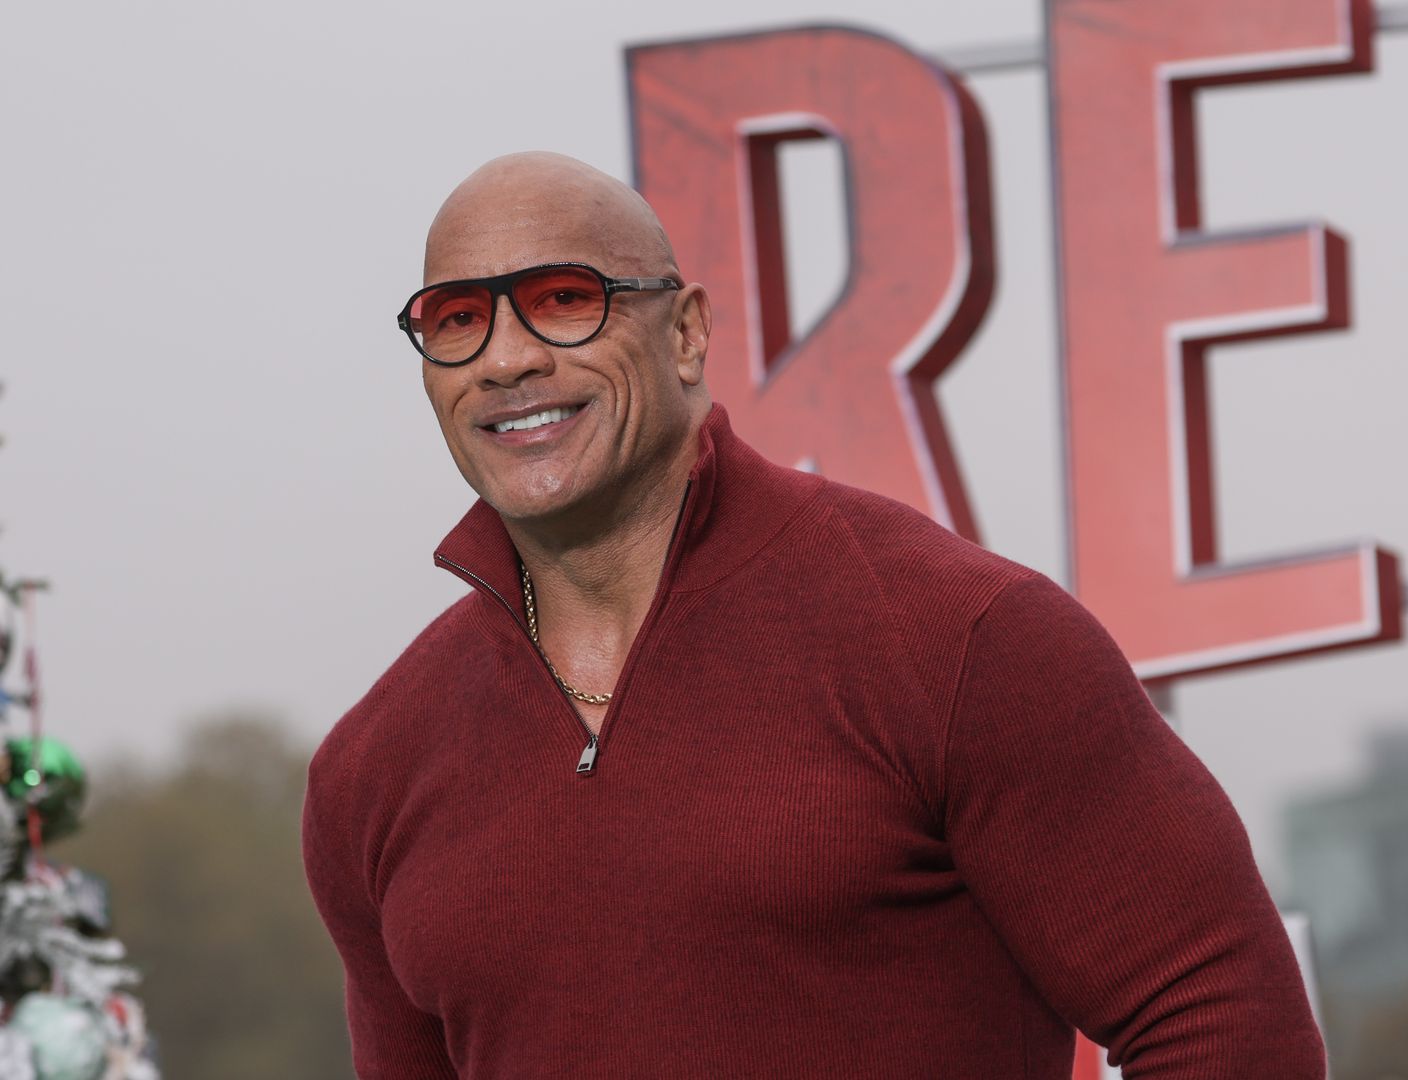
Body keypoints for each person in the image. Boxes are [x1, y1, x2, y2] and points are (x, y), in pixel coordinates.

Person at [301, 151, 1324, 1079]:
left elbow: (1230, 1025)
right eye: (456, 321)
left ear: (688, 331)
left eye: (565, 301)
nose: (507, 358)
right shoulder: (373, 770)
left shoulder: (964, 638)